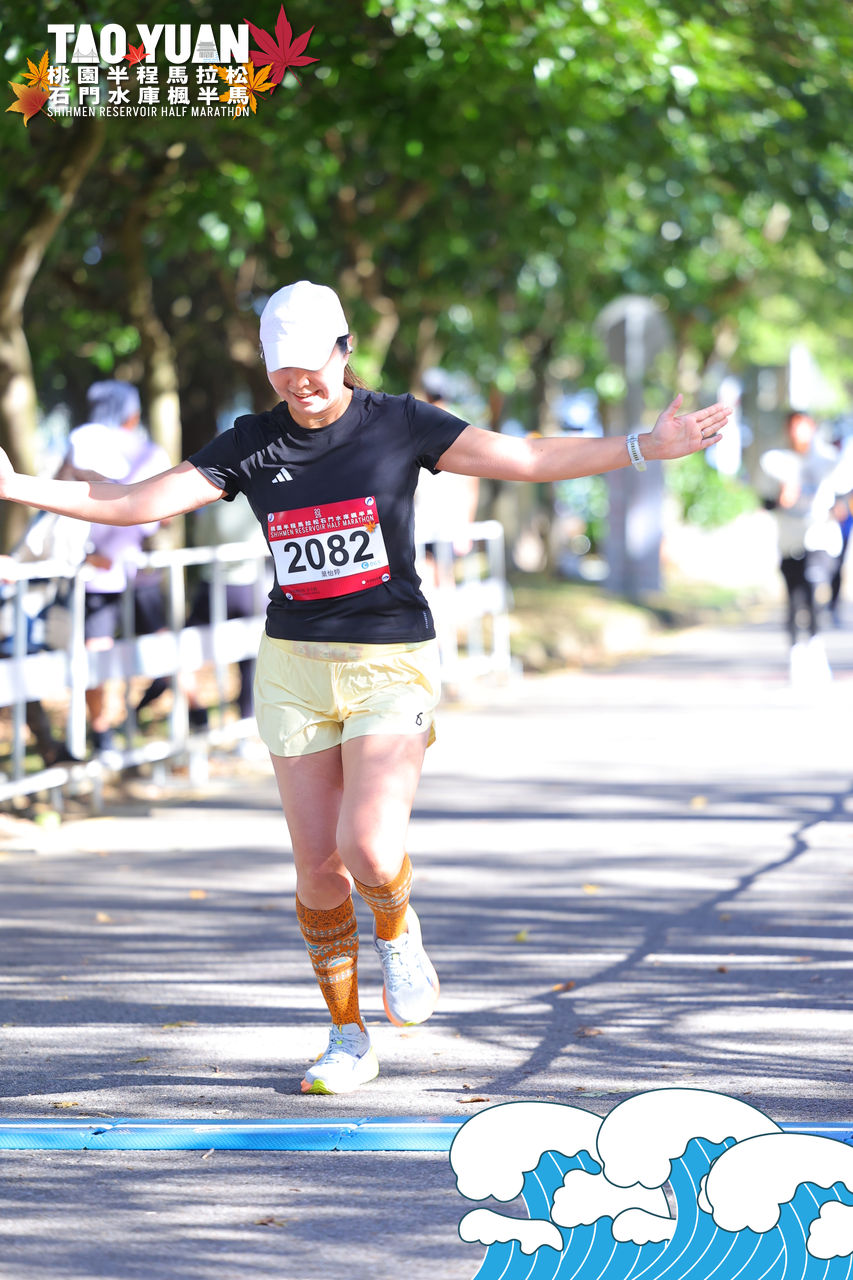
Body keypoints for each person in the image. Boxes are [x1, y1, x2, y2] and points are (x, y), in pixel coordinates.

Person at [0, 280, 730, 1095]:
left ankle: (397, 924)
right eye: (282, 370)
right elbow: (135, 502)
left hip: (389, 659)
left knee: (370, 848)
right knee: (318, 869)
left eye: (311, 366)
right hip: (294, 669)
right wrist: (16, 485)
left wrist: (640, 447)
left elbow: (523, 458)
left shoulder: (399, 423)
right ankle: (347, 1037)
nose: (298, 384)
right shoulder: (253, 443)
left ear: (344, 350)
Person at [59, 381, 171, 753]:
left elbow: (59, 491)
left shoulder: (80, 439)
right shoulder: (149, 450)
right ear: (132, 412)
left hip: (93, 565)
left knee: (97, 647)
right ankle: (185, 710)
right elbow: (165, 515)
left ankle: (102, 733)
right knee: (161, 639)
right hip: (136, 564)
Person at [759, 410, 850, 683]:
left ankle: (815, 646)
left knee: (813, 586)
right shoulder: (776, 461)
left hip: (820, 538)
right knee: (794, 596)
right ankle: (796, 652)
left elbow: (843, 492)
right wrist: (779, 499)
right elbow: (764, 500)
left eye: (803, 426)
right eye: (794, 427)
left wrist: (839, 507)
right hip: (789, 540)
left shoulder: (829, 460)